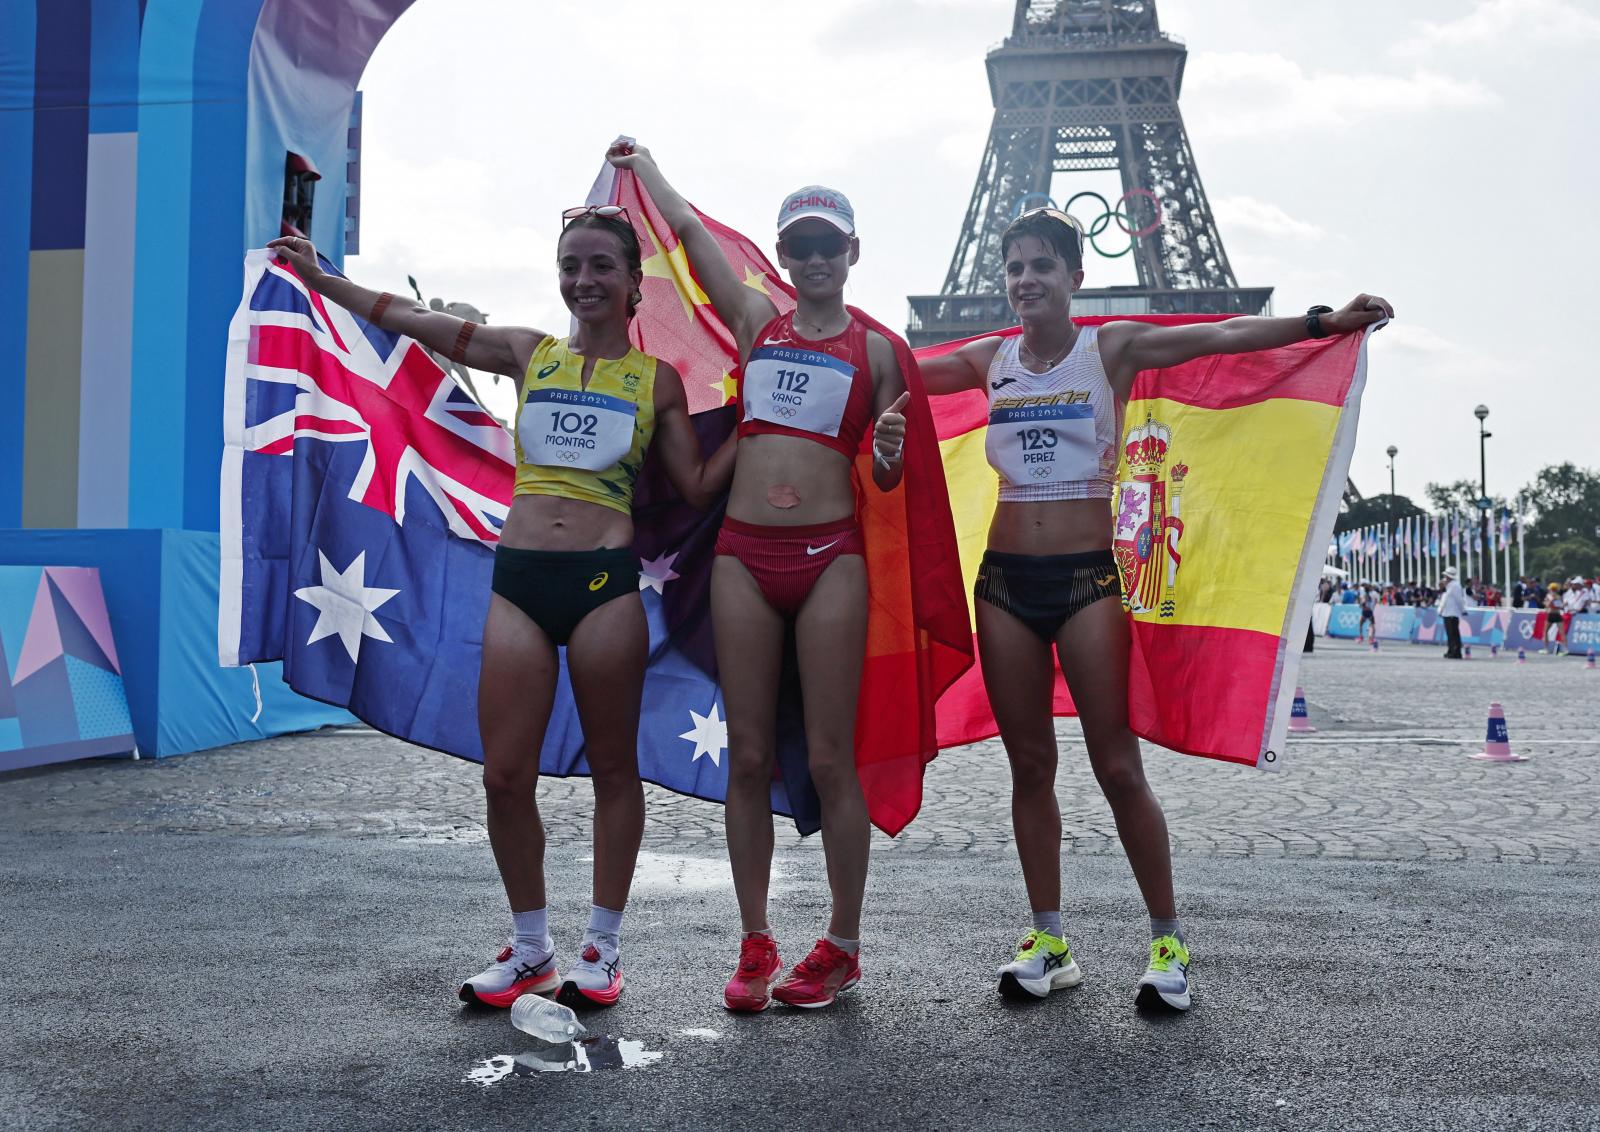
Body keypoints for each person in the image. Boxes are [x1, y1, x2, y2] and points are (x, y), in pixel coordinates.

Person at [918, 205, 1390, 1011]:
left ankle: (1167, 940)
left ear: (1074, 277)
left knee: (1116, 763)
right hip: (1002, 583)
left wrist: (1323, 321)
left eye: (1042, 266)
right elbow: (879, 371)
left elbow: (1222, 337)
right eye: (1015, 268)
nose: (1026, 280)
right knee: (1028, 765)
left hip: (1087, 581)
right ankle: (1049, 938)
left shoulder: (1111, 347)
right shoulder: (987, 359)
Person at [268, 212, 735, 1011]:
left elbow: (694, 487)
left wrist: (757, 425)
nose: (583, 280)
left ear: (633, 284)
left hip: (603, 586)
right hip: (519, 580)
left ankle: (603, 949)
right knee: (503, 776)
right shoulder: (529, 353)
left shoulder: (655, 381)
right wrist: (321, 280)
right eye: (569, 265)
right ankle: (530, 950)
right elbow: (417, 323)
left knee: (615, 770)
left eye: (600, 267)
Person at [607, 143, 916, 1012]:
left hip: (831, 560)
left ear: (853, 253)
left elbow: (891, 484)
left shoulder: (882, 352)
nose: (815, 260)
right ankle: (755, 942)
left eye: (830, 245)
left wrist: (887, 457)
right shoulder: (755, 322)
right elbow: (692, 232)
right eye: (801, 246)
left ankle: (843, 944)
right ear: (783, 256)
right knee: (748, 756)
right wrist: (651, 166)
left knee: (827, 758)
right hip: (744, 554)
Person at [1438, 566, 1466, 658]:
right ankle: (1451, 650)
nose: (1445, 578)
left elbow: (1459, 600)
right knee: (1449, 634)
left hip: (1453, 613)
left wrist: (1463, 610)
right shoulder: (1448, 585)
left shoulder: (1455, 586)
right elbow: (1444, 598)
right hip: (1446, 612)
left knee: (1454, 634)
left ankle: (1456, 651)